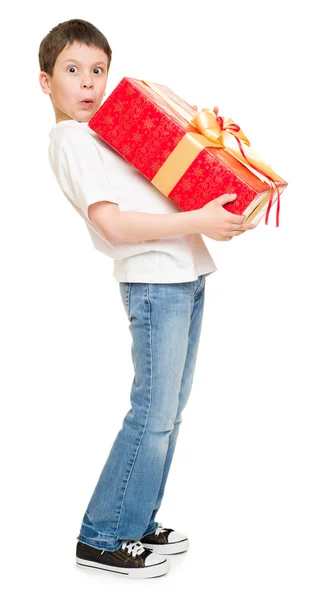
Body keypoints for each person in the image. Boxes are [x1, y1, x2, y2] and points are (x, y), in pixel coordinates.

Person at [38, 18, 255, 579]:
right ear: (46, 83)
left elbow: (162, 181)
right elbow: (112, 224)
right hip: (155, 280)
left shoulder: (105, 134)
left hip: (182, 273)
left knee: (168, 413)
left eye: (97, 70)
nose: (87, 82)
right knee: (152, 414)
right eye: (72, 70)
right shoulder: (69, 137)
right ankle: (103, 534)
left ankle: (133, 521)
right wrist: (201, 219)